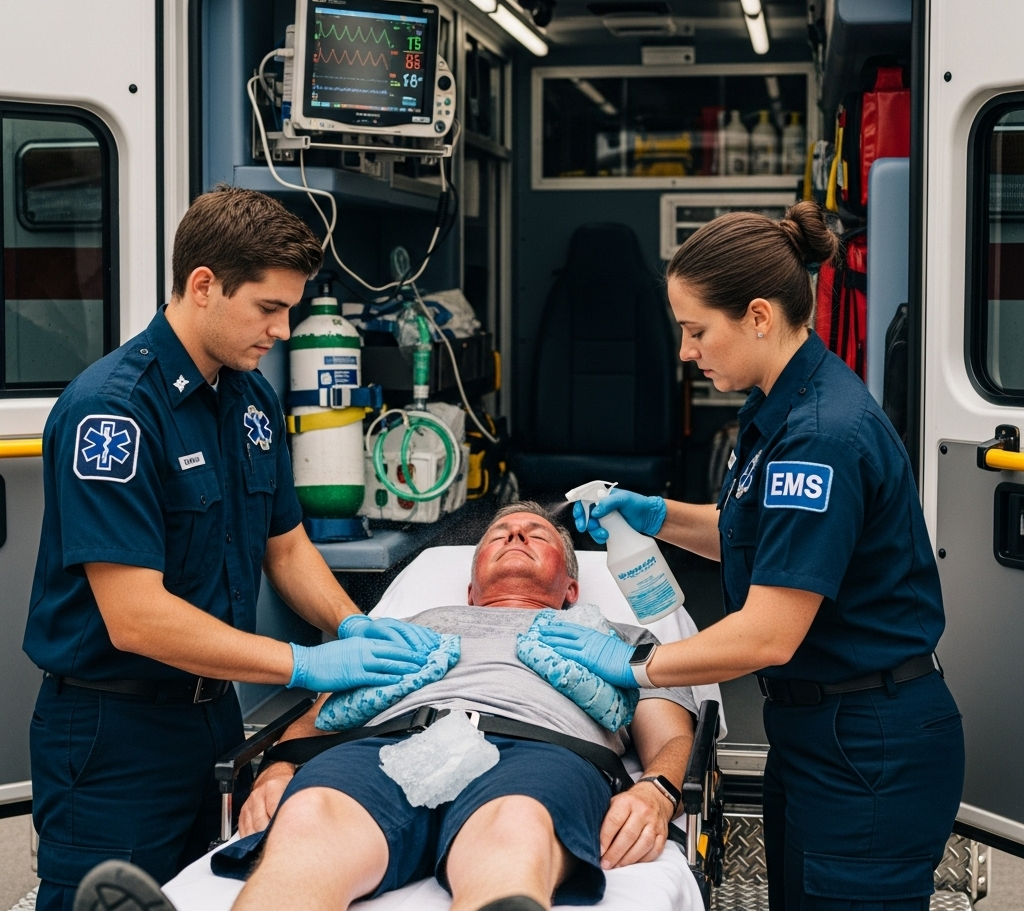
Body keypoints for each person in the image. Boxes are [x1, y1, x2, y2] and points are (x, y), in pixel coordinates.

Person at [538, 202, 965, 910]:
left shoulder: (821, 436)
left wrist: (636, 666)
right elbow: (760, 536)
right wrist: (657, 513)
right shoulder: (776, 412)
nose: (685, 350)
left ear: (759, 317)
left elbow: (769, 632)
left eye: (696, 330)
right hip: (813, 730)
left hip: (868, 745)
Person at [24, 187, 438, 911]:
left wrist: (348, 625)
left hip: (212, 719)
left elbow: (286, 548)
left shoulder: (248, 400)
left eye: (291, 310)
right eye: (269, 309)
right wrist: (303, 662)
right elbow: (136, 618)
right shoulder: (114, 412)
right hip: (114, 732)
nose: (282, 332)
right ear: (204, 285)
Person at [75, 501, 701, 911]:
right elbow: (324, 711)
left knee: (513, 829)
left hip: (540, 750)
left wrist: (657, 792)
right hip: (390, 745)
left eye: (537, 533)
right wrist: (280, 768)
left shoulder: (616, 639)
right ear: (469, 582)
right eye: (499, 533)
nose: (515, 533)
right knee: (312, 819)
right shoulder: (415, 623)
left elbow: (670, 735)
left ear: (570, 586)